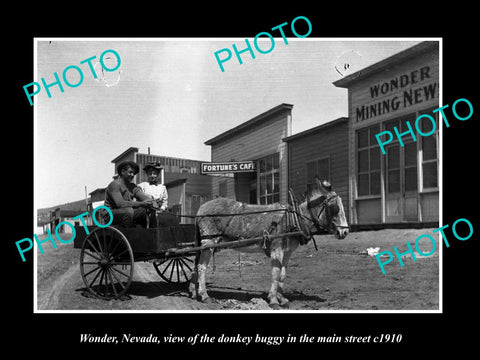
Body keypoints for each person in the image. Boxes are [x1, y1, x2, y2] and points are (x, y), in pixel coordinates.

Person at [104, 161, 153, 227]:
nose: (132, 175)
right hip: (109, 214)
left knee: (142, 211)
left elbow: (144, 197)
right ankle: (127, 233)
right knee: (128, 211)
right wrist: (142, 203)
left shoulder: (133, 186)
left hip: (126, 212)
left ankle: (142, 233)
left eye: (134, 173)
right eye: (130, 172)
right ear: (123, 172)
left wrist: (152, 202)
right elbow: (121, 204)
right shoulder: (114, 185)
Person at [138, 162, 178, 227]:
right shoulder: (142, 186)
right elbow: (139, 198)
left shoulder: (162, 187)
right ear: (147, 175)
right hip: (145, 213)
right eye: (150, 174)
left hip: (159, 213)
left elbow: (165, 201)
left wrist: (162, 209)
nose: (152, 176)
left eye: (154, 174)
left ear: (158, 174)